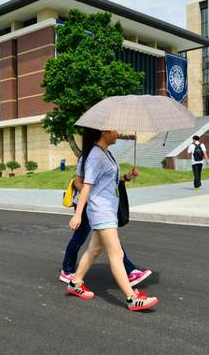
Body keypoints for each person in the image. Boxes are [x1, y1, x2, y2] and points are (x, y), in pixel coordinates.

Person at [66, 128, 159, 312]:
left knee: (94, 249)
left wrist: (127, 177)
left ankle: (75, 282)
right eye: (114, 130)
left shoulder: (104, 153)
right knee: (117, 254)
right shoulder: (95, 156)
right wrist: (77, 214)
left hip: (108, 209)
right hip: (101, 211)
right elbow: (86, 186)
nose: (118, 133)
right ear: (104, 132)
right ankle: (132, 298)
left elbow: (108, 181)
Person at [59, 156, 152, 286]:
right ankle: (67, 270)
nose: (116, 135)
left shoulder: (106, 155)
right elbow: (77, 182)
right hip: (88, 204)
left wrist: (128, 176)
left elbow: (110, 181)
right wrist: (81, 211)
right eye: (112, 133)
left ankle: (130, 272)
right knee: (81, 237)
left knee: (108, 240)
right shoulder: (89, 155)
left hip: (101, 206)